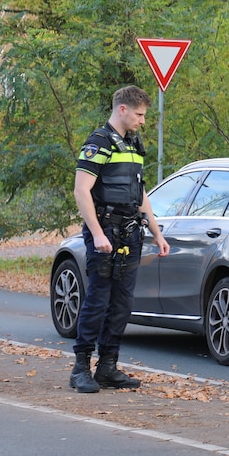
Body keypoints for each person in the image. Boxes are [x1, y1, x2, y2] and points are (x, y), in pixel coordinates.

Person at [69, 85, 170, 393]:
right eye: (139, 114)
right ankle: (80, 368)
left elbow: (139, 193)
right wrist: (97, 234)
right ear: (122, 109)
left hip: (130, 233)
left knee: (122, 304)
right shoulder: (99, 142)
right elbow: (81, 190)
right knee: (98, 300)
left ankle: (108, 367)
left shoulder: (133, 144)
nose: (142, 121)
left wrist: (156, 232)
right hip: (106, 233)